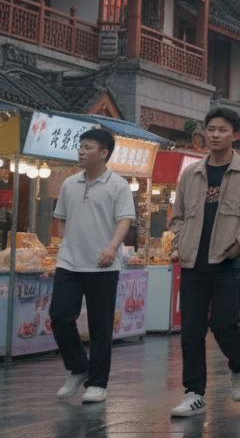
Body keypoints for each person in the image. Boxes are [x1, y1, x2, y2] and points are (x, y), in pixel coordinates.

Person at [166, 107, 240, 417]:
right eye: (210, 129)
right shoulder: (191, 173)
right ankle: (194, 392)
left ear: (234, 135)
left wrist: (239, 247)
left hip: (227, 262)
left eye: (222, 130)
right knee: (191, 331)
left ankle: (239, 364)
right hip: (194, 262)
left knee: (224, 325)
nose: (214, 135)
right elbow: (178, 216)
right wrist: (180, 243)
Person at [48, 128, 136, 404]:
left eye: (87, 147)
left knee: (100, 327)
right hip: (69, 264)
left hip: (103, 267)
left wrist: (112, 247)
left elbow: (124, 220)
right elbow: (60, 219)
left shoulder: (118, 185)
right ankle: (78, 368)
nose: (81, 151)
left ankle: (97, 383)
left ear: (104, 153)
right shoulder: (69, 184)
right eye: (80, 146)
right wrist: (66, 246)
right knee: (60, 317)